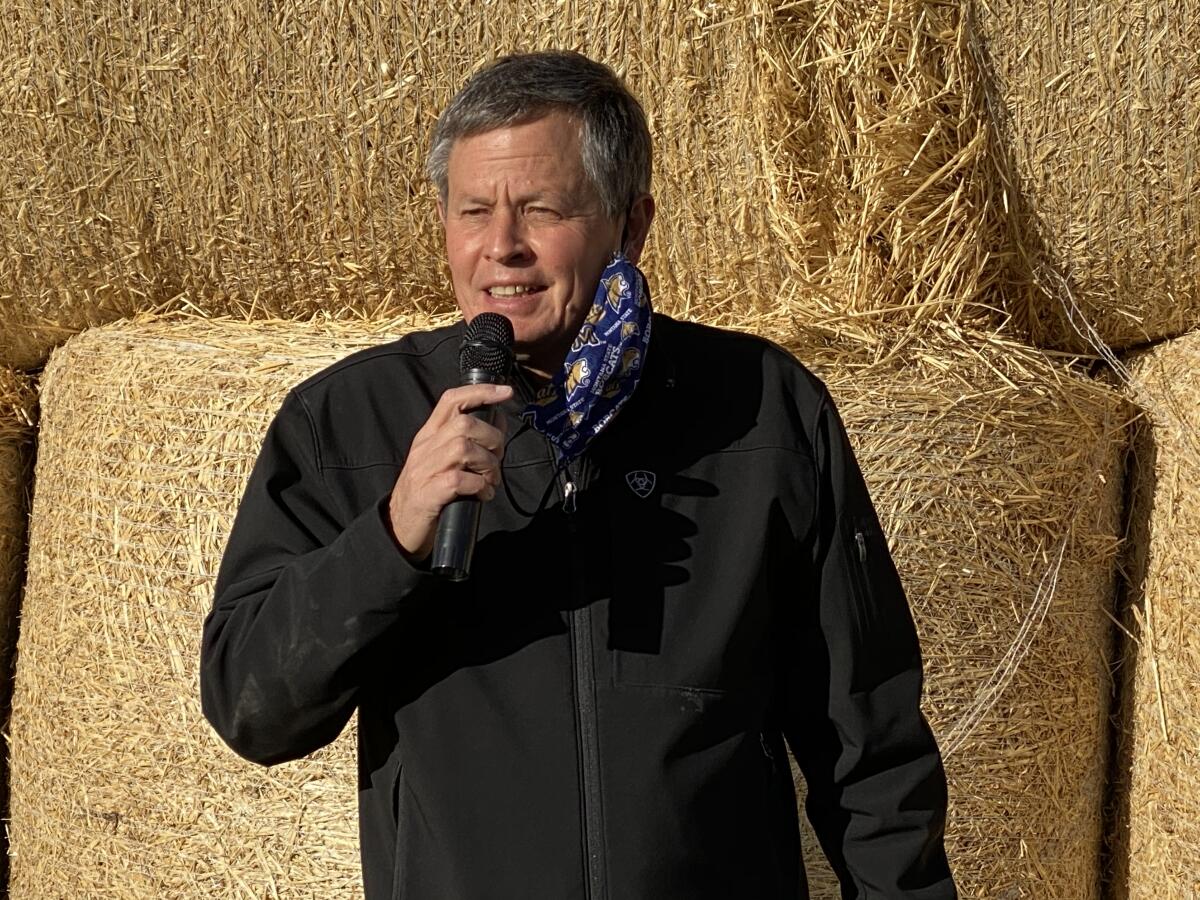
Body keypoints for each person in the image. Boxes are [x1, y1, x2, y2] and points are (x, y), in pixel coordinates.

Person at [201, 50, 956, 899]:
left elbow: (869, 740)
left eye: (542, 210)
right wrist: (392, 535)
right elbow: (250, 707)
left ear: (631, 226)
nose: (501, 248)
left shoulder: (763, 411)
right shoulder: (348, 423)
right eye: (473, 211)